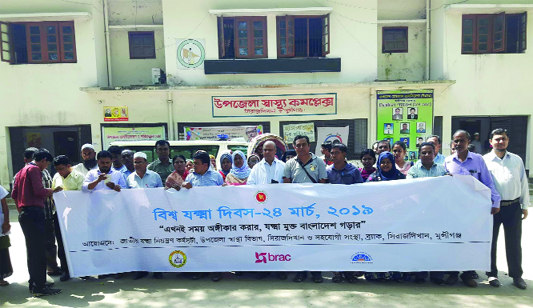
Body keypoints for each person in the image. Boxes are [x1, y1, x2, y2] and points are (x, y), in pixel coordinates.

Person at [444, 130, 501, 288]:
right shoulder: (448, 161)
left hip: (474, 209)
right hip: (453, 210)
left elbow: (488, 183)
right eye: (455, 141)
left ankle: (468, 274)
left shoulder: (478, 160)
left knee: (471, 241)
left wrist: (495, 201)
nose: (458, 144)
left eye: (461, 141)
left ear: (468, 142)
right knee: (454, 240)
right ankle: (454, 273)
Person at [483, 128, 529, 290]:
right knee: (491, 242)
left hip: (513, 206)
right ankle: (492, 274)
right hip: (492, 208)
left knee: (514, 243)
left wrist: (525, 205)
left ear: (508, 140)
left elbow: (523, 183)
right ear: (491, 142)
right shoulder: (485, 161)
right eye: (497, 139)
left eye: (503, 139)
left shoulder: (516, 160)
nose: (500, 141)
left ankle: (516, 275)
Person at [12, 149, 62, 296]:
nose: (46, 167)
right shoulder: (34, 170)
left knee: (32, 251)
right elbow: (39, 191)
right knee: (39, 252)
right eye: (47, 164)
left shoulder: (22, 170)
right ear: (44, 159)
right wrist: (53, 190)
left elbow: (14, 194)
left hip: (25, 214)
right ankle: (40, 286)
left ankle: (35, 283)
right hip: (34, 212)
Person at [283, 135, 327, 283]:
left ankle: (316, 272)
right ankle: (301, 271)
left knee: (314, 240)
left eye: (303, 145)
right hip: (297, 210)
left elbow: (322, 182)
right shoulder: (289, 164)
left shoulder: (319, 162)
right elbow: (286, 185)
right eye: (298, 145)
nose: (301, 148)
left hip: (314, 209)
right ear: (294, 147)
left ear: (309, 146)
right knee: (299, 240)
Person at [406, 142, 448, 285]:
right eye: (423, 153)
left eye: (430, 152)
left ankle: (437, 276)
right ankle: (420, 275)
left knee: (438, 242)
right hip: (420, 213)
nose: (427, 155)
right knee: (420, 242)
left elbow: (447, 189)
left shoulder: (442, 170)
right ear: (419, 155)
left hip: (438, 213)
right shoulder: (413, 171)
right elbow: (411, 189)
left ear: (434, 153)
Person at [246, 141, 287, 280]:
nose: (267, 152)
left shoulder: (283, 166)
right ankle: (264, 268)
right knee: (263, 241)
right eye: (265, 150)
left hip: (279, 210)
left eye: (270, 150)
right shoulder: (256, 168)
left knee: (279, 239)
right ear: (262, 152)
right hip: (261, 210)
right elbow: (250, 186)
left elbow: (289, 186)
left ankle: (280, 269)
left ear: (276, 151)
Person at [182, 151, 224, 281]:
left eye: (196, 163)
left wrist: (226, 189)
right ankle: (201, 269)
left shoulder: (217, 176)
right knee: (198, 243)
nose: (194, 166)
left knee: (214, 244)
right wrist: (184, 186)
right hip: (196, 217)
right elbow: (183, 195)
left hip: (213, 216)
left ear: (205, 165)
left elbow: (223, 196)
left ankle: (216, 270)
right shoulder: (190, 177)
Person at [366, 151, 405, 282]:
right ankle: (377, 272)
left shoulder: (401, 177)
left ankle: (395, 272)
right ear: (378, 163)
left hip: (396, 218)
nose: (385, 164)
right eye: (382, 162)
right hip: (377, 219)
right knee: (377, 245)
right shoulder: (372, 178)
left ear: (393, 163)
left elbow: (406, 196)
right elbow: (366, 197)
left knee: (394, 245)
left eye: (388, 162)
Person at [327, 143, 363, 283]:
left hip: (350, 214)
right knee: (334, 243)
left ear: (344, 154)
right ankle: (336, 272)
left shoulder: (354, 171)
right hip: (333, 214)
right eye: (332, 153)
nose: (333, 155)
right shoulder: (328, 171)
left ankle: (349, 272)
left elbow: (360, 192)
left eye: (336, 153)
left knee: (349, 243)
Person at [126, 152, 164, 280]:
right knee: (139, 243)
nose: (137, 164)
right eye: (135, 162)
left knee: (155, 242)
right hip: (136, 216)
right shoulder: (130, 178)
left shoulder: (155, 176)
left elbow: (161, 196)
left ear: (146, 163)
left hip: (152, 215)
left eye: (140, 162)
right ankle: (142, 269)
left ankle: (157, 269)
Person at [51, 155, 84, 282]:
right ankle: (65, 270)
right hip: (60, 214)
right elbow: (53, 195)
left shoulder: (79, 177)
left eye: (61, 169)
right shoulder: (56, 177)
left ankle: (81, 269)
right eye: (57, 169)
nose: (59, 172)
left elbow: (82, 197)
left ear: (68, 166)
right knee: (61, 242)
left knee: (78, 241)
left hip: (76, 215)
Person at [0, 185, 12, 287]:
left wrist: (6, 222)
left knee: (2, 250)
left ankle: (1, 277)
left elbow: (5, 205)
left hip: (0, 224)